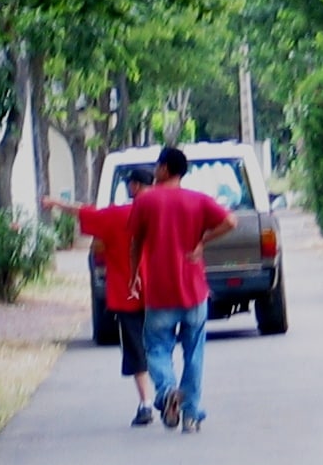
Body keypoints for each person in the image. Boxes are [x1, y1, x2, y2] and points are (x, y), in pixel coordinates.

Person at [130, 145, 235, 434]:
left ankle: (166, 393)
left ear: (165, 168)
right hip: (194, 292)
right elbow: (230, 221)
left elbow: (136, 241)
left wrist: (134, 275)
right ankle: (190, 415)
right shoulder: (198, 200)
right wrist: (203, 242)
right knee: (194, 354)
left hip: (160, 293)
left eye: (158, 164)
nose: (155, 169)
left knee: (156, 348)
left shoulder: (145, 201)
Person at [41, 168, 157, 425]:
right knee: (161, 345)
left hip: (128, 294)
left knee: (136, 349)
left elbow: (83, 212)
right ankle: (169, 390)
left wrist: (55, 203)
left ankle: (146, 403)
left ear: (135, 186)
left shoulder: (117, 215)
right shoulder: (163, 215)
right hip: (161, 293)